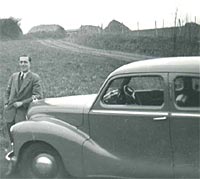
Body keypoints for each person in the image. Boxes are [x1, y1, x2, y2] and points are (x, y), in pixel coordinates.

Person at [3, 55, 43, 140]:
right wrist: (6, 103)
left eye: (25, 62)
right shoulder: (14, 76)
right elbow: (7, 91)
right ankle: (12, 151)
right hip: (10, 112)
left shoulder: (34, 78)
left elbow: (38, 95)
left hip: (23, 113)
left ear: (29, 64)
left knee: (22, 138)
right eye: (21, 62)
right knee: (11, 137)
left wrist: (22, 103)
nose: (23, 64)